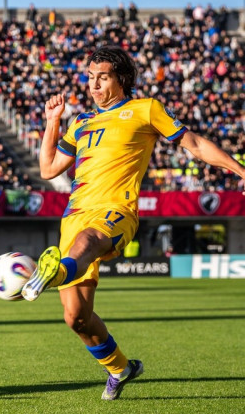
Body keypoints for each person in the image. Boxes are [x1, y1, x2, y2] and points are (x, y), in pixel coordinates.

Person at [20, 45, 245, 400]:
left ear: (122, 79)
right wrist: (52, 122)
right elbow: (48, 169)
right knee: (76, 317)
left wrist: (240, 170)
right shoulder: (80, 123)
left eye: (102, 77)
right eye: (90, 77)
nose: (94, 85)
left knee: (89, 241)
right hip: (73, 217)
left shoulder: (146, 109)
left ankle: (54, 272)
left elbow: (195, 144)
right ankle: (120, 368)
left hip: (116, 211)